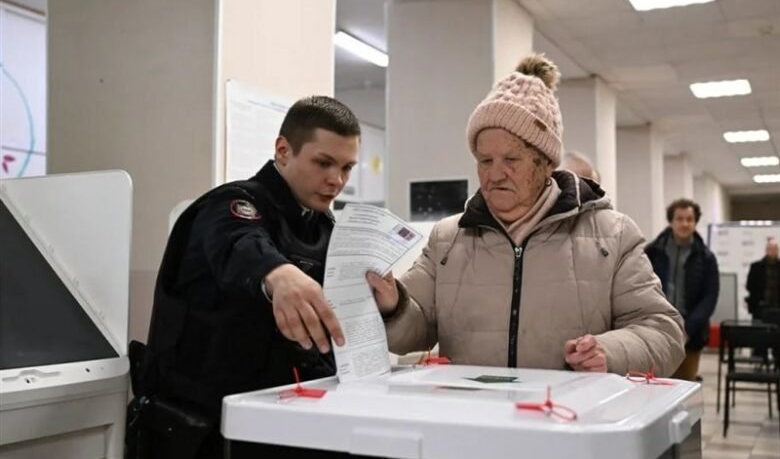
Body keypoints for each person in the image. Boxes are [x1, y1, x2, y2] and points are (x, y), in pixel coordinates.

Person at [367, 54, 685, 377]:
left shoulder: (613, 236)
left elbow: (664, 332)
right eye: (485, 160)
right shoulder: (447, 240)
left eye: (511, 159)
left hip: (566, 421)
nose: (495, 174)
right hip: (472, 422)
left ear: (546, 162)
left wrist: (611, 351)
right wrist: (394, 304)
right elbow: (416, 328)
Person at [127, 96, 360, 458]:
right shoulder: (229, 205)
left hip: (281, 421)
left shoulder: (325, 228)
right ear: (283, 150)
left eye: (347, 168)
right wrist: (279, 274)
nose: (336, 180)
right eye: (323, 163)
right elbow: (240, 243)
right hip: (202, 430)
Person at [645, 199, 719, 381]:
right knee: (655, 388)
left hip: (691, 335)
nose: (685, 224)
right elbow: (642, 286)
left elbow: (710, 296)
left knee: (684, 388)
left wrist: (689, 327)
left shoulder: (706, 257)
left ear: (695, 222)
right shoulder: (652, 252)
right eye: (680, 219)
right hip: (655, 331)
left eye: (689, 219)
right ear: (671, 221)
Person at [746, 237, 780, 318]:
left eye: (775, 249)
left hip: (778, 307)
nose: (773, 251)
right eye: (770, 249)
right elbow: (749, 285)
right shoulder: (756, 267)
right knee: (760, 329)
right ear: (766, 250)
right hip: (760, 307)